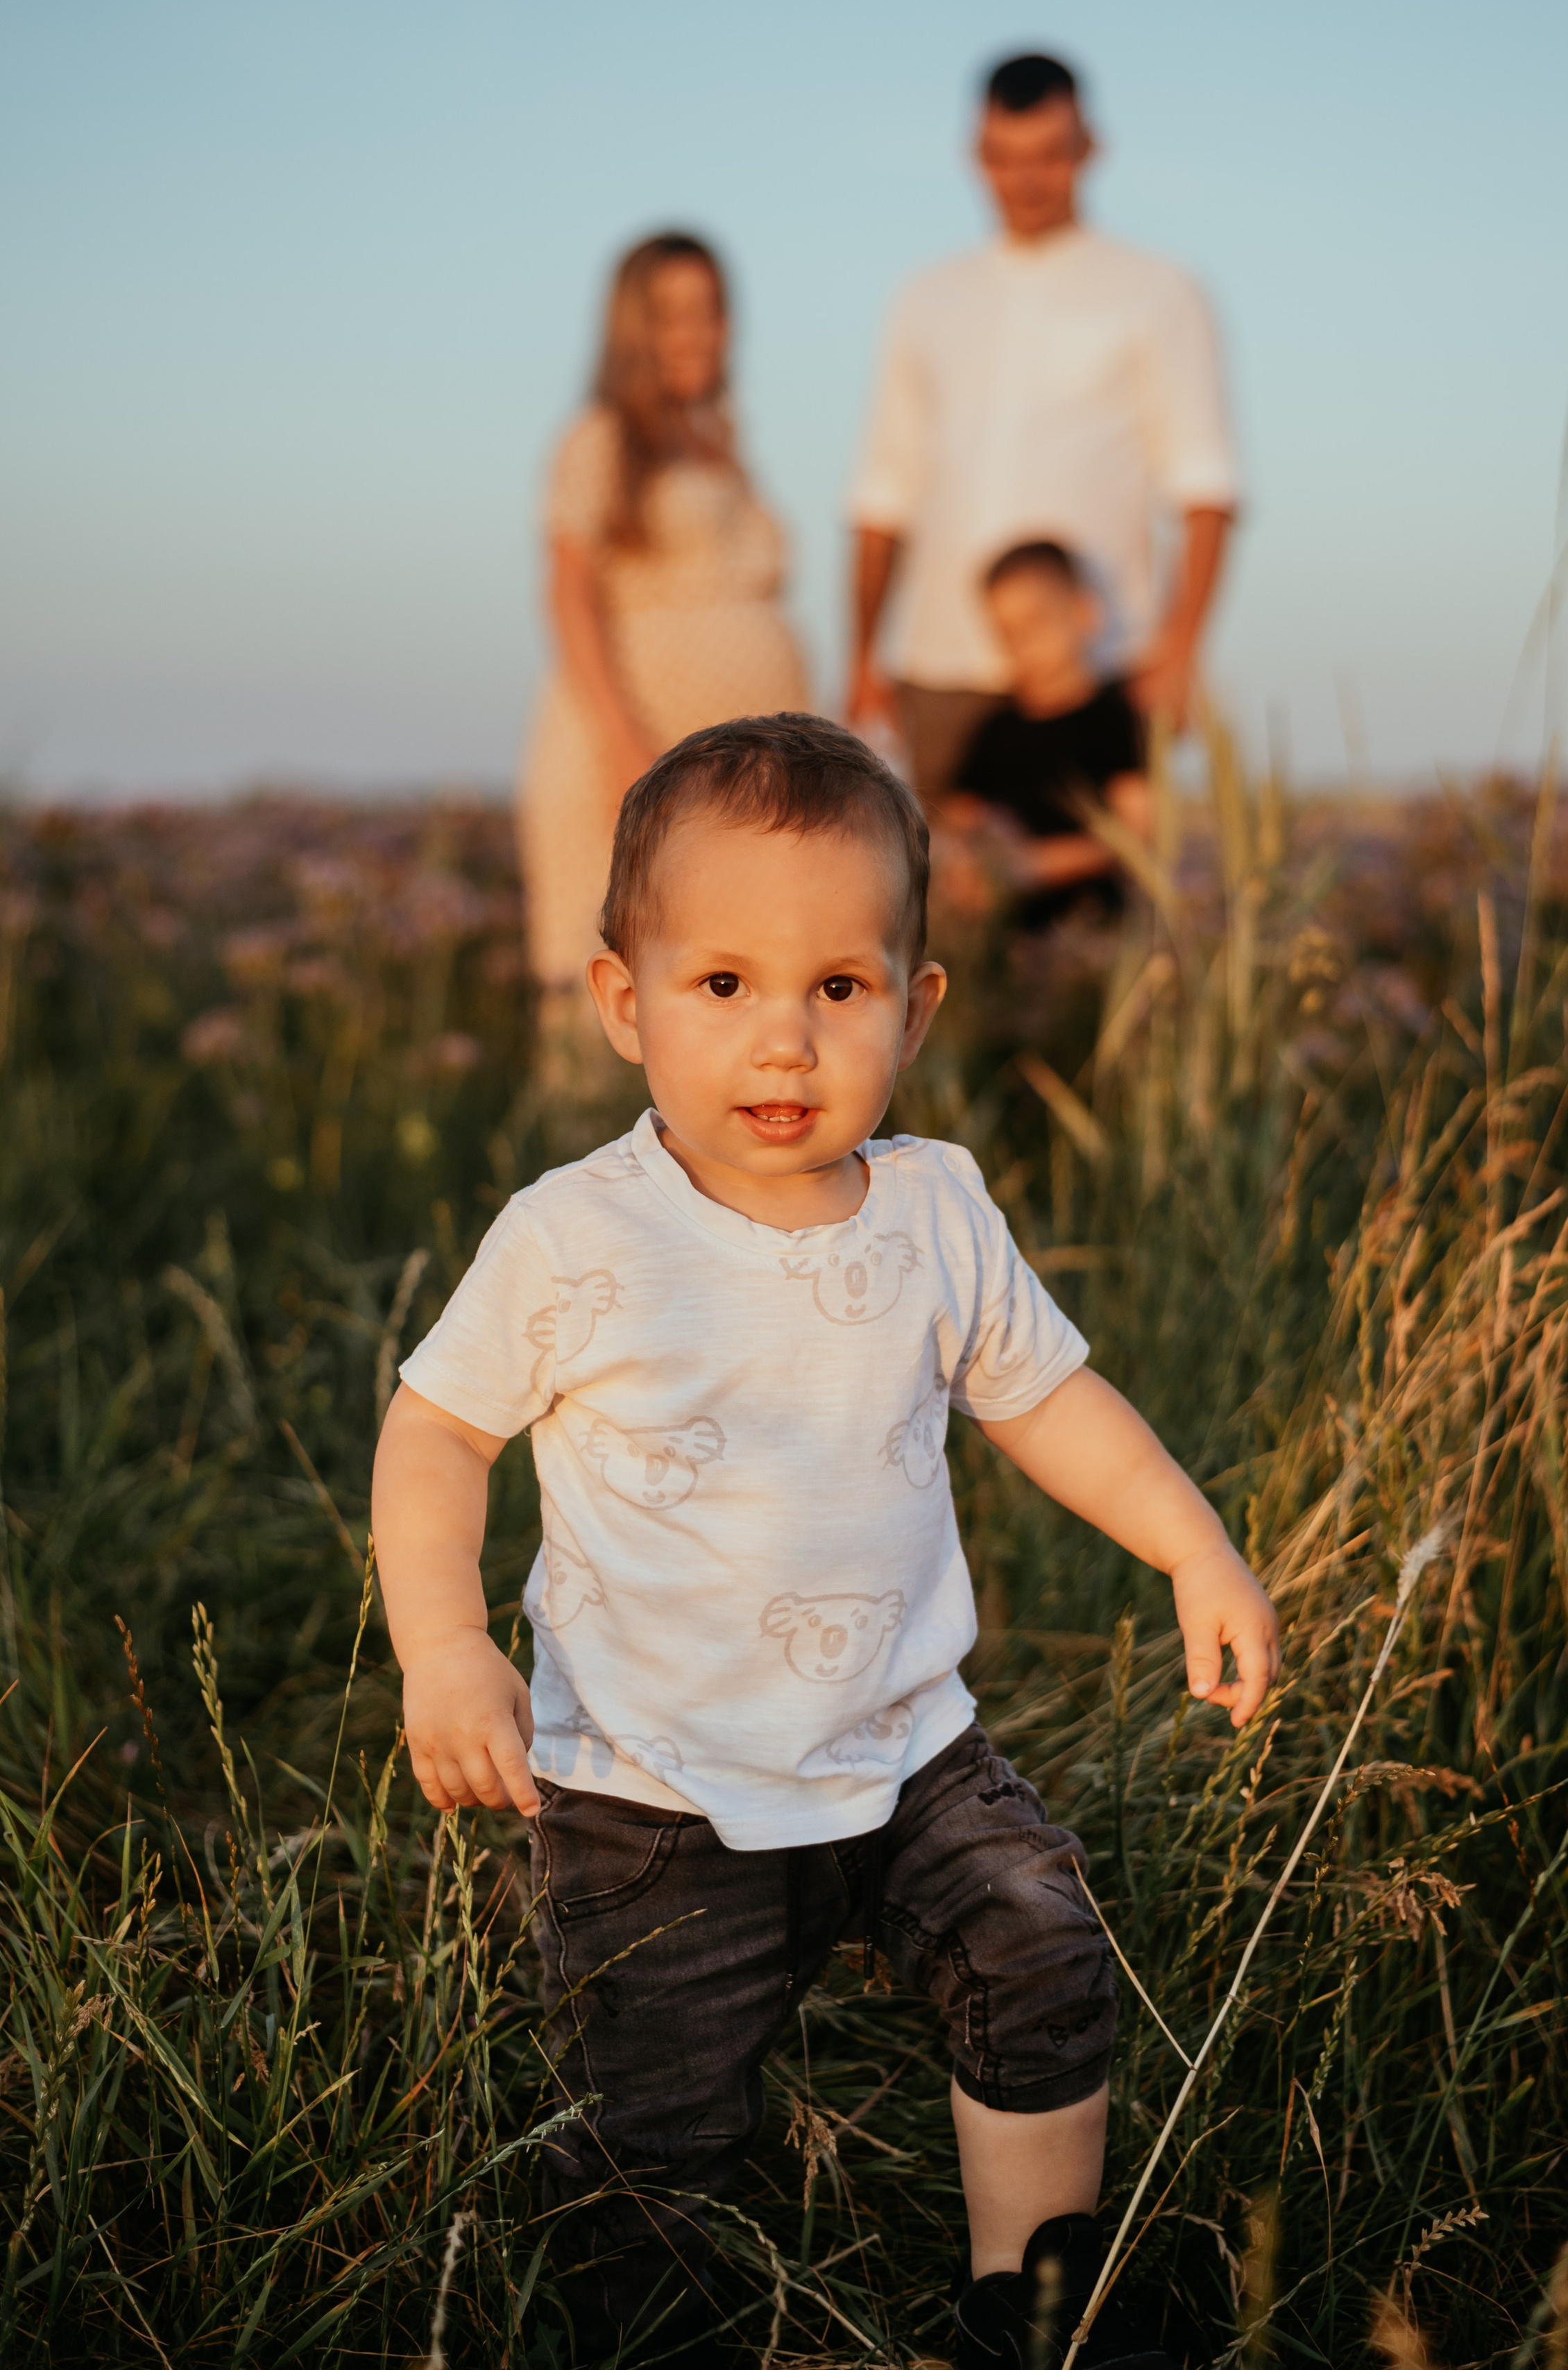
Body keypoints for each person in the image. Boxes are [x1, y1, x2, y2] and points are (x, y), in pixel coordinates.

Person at [373, 713, 1279, 2369]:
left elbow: (1050, 1396)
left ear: (913, 1007)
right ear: (620, 998)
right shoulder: (575, 1233)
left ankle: (1033, 2296)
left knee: (1036, 1940)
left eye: (836, 988)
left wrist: (1191, 1546)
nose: (780, 1040)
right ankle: (644, 2325)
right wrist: (445, 1640)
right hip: (651, 1786)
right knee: (651, 2118)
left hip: (907, 1739)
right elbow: (437, 1428)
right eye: (722, 984)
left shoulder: (935, 1207)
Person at [847, 51, 1239, 799]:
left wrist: (1180, 650)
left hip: (1100, 671)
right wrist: (863, 659)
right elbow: (882, 493)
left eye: (1049, 156)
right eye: (1005, 158)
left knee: (1101, 903)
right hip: (940, 671)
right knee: (946, 905)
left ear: (1089, 148)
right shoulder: (923, 298)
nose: (1026, 179)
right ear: (976, 154)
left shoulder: (1159, 291)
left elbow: (1205, 486)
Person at [517, 232, 808, 1101]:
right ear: (631, 328)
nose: (697, 333)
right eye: (672, 314)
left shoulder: (721, 445)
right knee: (609, 975)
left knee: (731, 978)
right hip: (632, 743)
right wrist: (621, 741)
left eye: (711, 311)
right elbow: (570, 595)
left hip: (734, 769)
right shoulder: (600, 439)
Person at [944, 540, 1154, 928]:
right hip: (1007, 934)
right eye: (1006, 632)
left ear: (1085, 612)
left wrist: (1039, 865)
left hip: (1097, 927)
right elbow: (961, 822)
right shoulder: (993, 729)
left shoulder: (1115, 721)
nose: (1022, 644)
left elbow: (1139, 835)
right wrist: (969, 870)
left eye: (1035, 622)